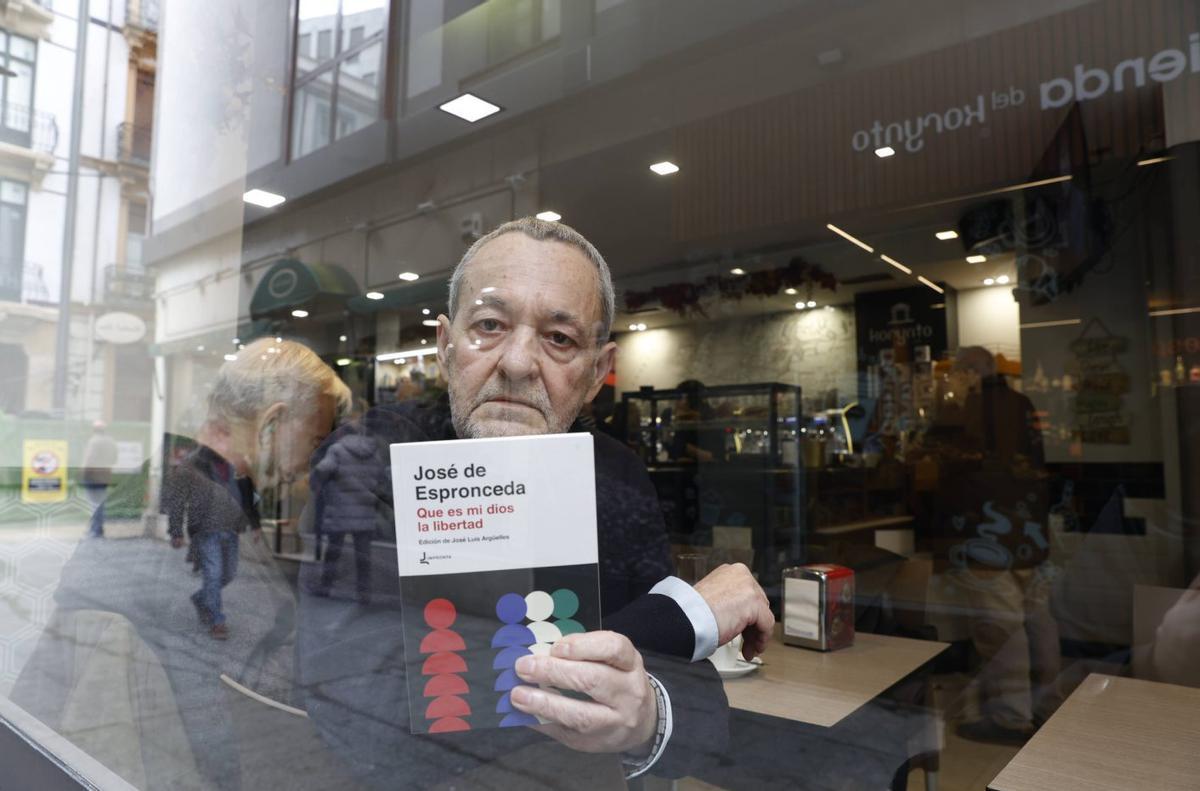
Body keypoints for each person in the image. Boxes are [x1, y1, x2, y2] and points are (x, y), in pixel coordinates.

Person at [302, 217, 774, 787]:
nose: (519, 363)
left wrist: (646, 713)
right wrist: (681, 616)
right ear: (446, 347)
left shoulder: (616, 477)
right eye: (490, 325)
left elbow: (697, 706)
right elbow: (370, 709)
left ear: (597, 373)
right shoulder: (372, 463)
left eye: (559, 338)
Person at [163, 339, 348, 640]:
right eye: (316, 441)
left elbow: (244, 499)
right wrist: (176, 531)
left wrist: (254, 525)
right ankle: (214, 616)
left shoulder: (237, 471)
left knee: (225, 574)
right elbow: (177, 500)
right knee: (215, 574)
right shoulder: (197, 468)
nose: (315, 460)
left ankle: (207, 603)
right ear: (272, 424)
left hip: (229, 531)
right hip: (210, 532)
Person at [932, 346, 1061, 744]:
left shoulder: (971, 409)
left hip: (988, 533)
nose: (954, 381)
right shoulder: (1021, 403)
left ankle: (1010, 718)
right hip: (1029, 532)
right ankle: (1049, 708)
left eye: (958, 373)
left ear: (971, 373)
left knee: (1001, 629)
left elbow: (963, 468)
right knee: (1039, 620)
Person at [81, 420, 118, 538]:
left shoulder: (93, 441)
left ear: (94, 429)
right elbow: (114, 459)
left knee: (93, 503)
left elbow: (89, 459)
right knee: (100, 503)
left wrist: (83, 472)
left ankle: (95, 529)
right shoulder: (111, 441)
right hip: (105, 475)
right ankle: (98, 528)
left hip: (92, 475)